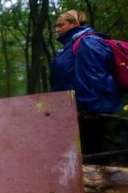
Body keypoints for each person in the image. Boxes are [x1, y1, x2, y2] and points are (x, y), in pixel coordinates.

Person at [50, 9, 121, 157]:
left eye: (60, 25)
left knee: (93, 160)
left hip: (89, 116)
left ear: (74, 23)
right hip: (74, 113)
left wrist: (89, 110)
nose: (57, 29)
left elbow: (94, 79)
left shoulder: (88, 42)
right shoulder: (71, 45)